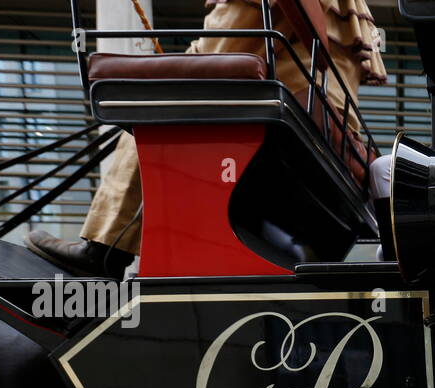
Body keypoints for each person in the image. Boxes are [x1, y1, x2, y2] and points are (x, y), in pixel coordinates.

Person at [27, 0, 387, 278]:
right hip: (328, 137)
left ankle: (104, 250)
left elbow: (220, 49)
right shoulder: (348, 9)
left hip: (285, 128)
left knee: (150, 100)